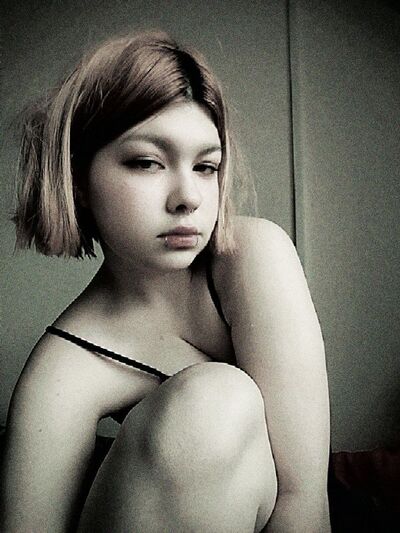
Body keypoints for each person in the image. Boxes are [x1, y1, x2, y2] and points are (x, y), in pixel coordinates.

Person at [0, 31, 331, 532]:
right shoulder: (62, 371)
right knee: (215, 400)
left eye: (206, 166)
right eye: (147, 162)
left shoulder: (253, 256)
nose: (188, 197)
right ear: (78, 180)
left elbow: (304, 502)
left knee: (218, 398)